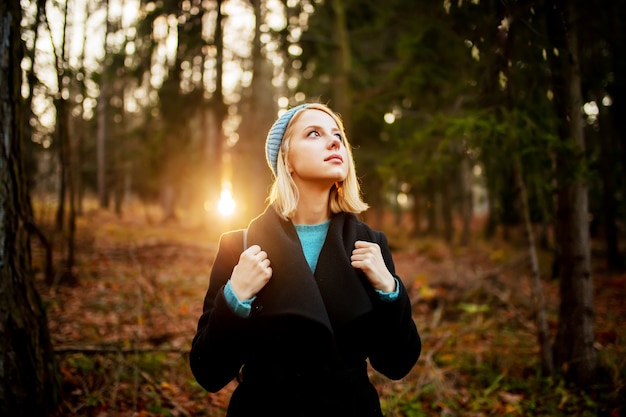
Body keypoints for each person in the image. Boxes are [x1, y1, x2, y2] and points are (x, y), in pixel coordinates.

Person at [190, 102, 421, 417]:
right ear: (286, 159)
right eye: (314, 133)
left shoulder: (370, 245)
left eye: (338, 134)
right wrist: (235, 298)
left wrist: (389, 290)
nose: (334, 141)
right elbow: (209, 371)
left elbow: (397, 363)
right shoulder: (239, 247)